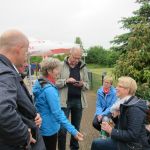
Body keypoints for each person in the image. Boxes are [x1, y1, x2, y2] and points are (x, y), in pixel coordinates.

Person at [0, 29, 46, 150]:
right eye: (26, 52)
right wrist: (24, 134)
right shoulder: (5, 72)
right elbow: (2, 109)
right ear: (18, 48)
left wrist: (33, 115)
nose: (26, 56)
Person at [32, 58, 84, 150]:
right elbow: (58, 113)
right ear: (49, 71)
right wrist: (74, 131)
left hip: (42, 126)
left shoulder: (39, 82)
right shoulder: (50, 90)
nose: (59, 72)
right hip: (49, 129)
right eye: (57, 69)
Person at [91, 76, 150, 150]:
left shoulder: (134, 108)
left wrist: (111, 130)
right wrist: (116, 117)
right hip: (125, 141)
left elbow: (132, 135)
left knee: (96, 144)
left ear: (127, 90)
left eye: (120, 86)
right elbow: (122, 126)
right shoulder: (123, 103)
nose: (116, 88)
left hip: (133, 145)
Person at [56, 47, 89, 150]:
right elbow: (54, 82)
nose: (77, 60)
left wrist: (82, 84)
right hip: (64, 101)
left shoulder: (83, 67)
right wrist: (66, 81)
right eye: (75, 57)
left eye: (79, 58)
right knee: (62, 128)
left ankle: (74, 147)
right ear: (70, 54)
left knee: (76, 127)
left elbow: (88, 85)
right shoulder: (60, 65)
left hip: (78, 101)